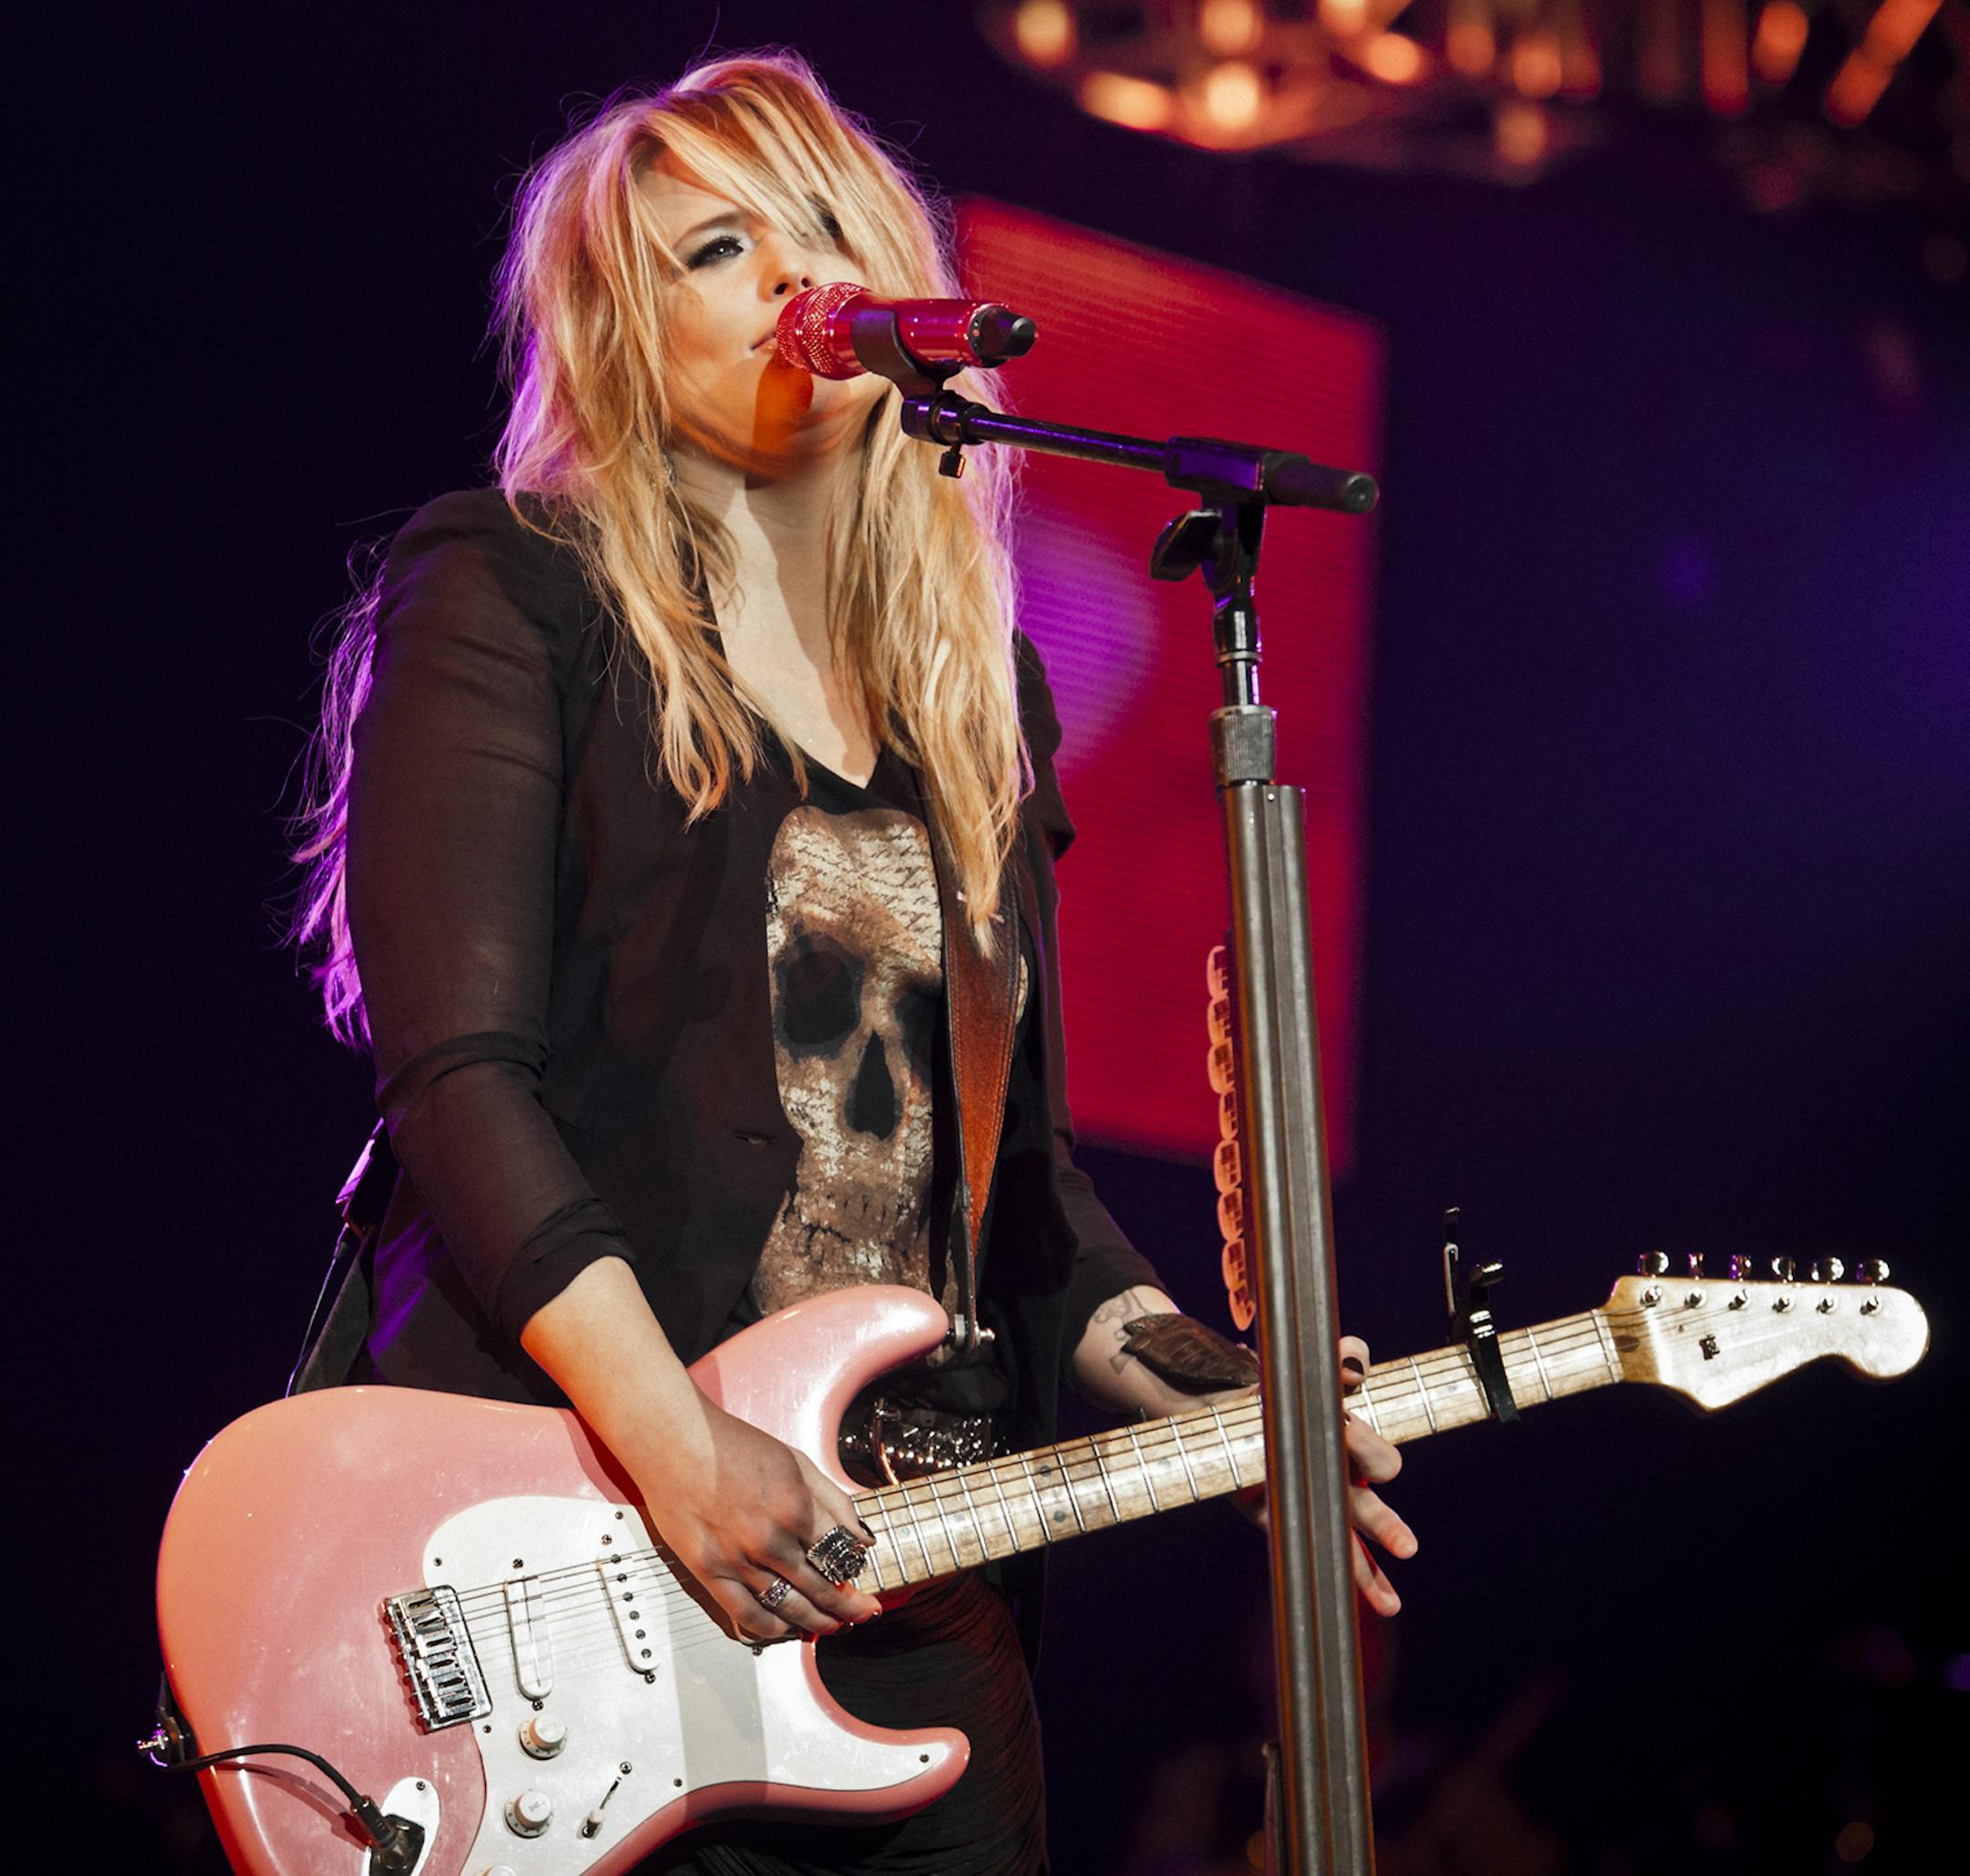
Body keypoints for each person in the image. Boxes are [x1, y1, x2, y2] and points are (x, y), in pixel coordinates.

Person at [291, 51, 1413, 1876]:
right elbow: (456, 1074)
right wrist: (678, 1442)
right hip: (584, 1560)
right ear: (616, 336)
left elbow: (1013, 1189)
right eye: (714, 250)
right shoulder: (517, 593)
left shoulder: (985, 708)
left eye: (817, 227)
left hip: (923, 1618)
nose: (791, 281)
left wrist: (1210, 1379)